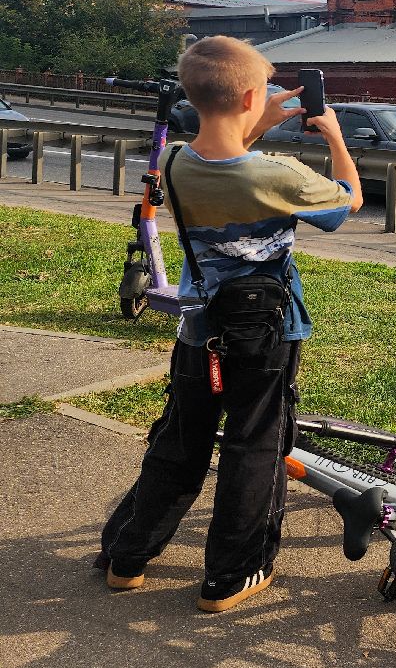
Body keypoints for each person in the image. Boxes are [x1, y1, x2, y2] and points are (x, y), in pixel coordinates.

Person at [96, 36, 363, 613]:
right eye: (262, 92)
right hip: (267, 333)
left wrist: (252, 122)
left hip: (199, 331)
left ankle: (126, 557)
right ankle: (230, 577)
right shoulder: (279, 175)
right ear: (248, 97)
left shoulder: (172, 161)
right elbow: (347, 203)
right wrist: (336, 136)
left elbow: (218, 155)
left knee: (179, 441)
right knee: (254, 445)